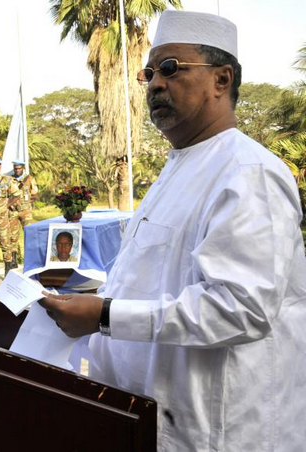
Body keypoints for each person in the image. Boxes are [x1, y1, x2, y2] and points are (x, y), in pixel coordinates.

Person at [39, 11, 306, 451]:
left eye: (171, 69)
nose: (155, 84)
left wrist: (104, 315)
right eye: (150, 73)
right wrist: (87, 294)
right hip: (152, 418)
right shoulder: (179, 166)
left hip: (220, 430)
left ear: (222, 80)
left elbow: (241, 307)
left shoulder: (247, 171)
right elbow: (163, 281)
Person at [9, 160, 39, 264]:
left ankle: (30, 258)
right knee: (12, 236)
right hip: (13, 211)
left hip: (26, 212)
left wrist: (29, 200)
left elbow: (35, 193)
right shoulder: (9, 179)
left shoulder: (29, 179)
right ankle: (14, 259)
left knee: (29, 234)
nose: (17, 170)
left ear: (23, 168)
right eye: (15, 168)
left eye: (19, 168)